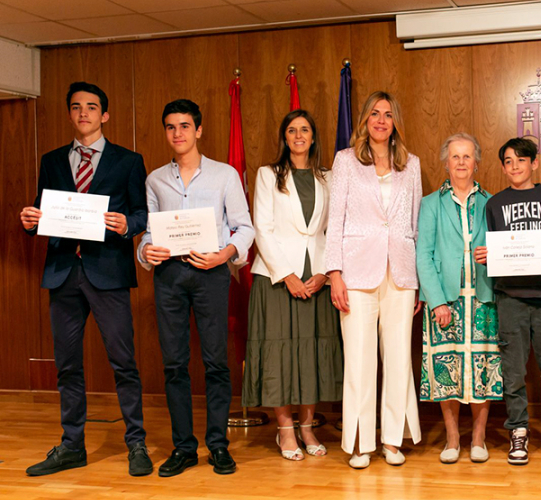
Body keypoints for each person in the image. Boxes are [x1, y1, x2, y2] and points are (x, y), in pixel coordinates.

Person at [20, 81, 152, 477]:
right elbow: (45, 210)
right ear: (70, 114)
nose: (84, 113)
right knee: (67, 366)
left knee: (123, 362)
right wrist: (30, 221)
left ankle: (136, 443)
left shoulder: (128, 161)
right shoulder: (52, 160)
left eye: (92, 107)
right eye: (76, 107)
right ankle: (72, 445)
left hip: (108, 272)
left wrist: (128, 224)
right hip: (63, 272)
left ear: (104, 115)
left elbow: (143, 214)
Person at [138, 99, 255, 477]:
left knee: (216, 362)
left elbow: (245, 227)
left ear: (198, 130)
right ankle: (184, 447)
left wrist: (224, 255)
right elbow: (149, 233)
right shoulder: (155, 179)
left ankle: (218, 445)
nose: (178, 133)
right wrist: (145, 251)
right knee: (174, 364)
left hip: (211, 275)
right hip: (169, 277)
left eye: (185, 126)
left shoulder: (225, 175)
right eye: (171, 127)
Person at [325, 91, 423, 469]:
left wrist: (417, 280)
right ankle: (361, 443)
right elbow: (335, 220)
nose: (381, 120)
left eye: (388, 114)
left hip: (400, 273)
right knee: (359, 360)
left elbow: (413, 225)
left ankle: (393, 441)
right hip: (355, 272)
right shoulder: (346, 161)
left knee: (398, 358)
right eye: (375, 114)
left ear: (395, 122)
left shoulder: (410, 165)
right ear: (365, 119)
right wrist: (334, 273)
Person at [242, 109, 342, 461]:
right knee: (280, 355)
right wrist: (287, 275)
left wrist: (325, 272)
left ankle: (307, 427)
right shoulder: (268, 175)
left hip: (317, 278)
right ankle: (285, 431)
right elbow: (262, 228)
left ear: (313, 137)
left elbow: (335, 228)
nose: (298, 136)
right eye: (292, 130)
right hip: (276, 278)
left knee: (311, 354)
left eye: (305, 130)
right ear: (284, 138)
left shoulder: (329, 177)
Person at [475, 137, 541, 466]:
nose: (514, 166)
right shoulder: (494, 204)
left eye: (521, 159)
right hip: (510, 297)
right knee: (513, 372)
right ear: (502, 167)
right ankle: (518, 429)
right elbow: (493, 247)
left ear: (534, 163)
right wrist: (486, 256)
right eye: (508, 161)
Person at [417, 133, 500, 464]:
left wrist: (493, 255)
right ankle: (452, 438)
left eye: (467, 156)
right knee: (446, 367)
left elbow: (504, 249)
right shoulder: (430, 204)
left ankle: (478, 437)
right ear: (446, 163)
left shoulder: (492, 203)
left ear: (476, 162)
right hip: (445, 299)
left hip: (484, 297)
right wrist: (436, 300)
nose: (461, 162)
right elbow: (423, 255)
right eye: (455, 156)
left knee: (484, 366)